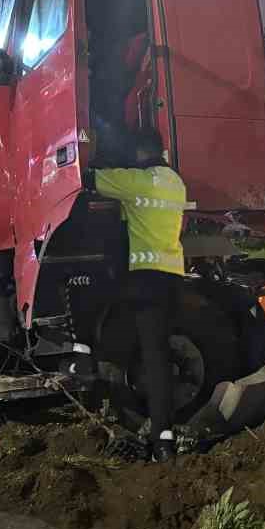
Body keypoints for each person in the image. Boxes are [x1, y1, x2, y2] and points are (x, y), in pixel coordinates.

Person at [84, 126, 190, 461]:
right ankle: (163, 434)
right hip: (172, 277)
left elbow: (91, 178)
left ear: (138, 153)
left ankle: (161, 439)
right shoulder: (176, 183)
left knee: (146, 355)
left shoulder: (137, 181)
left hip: (145, 281)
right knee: (157, 353)